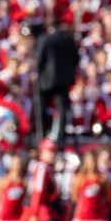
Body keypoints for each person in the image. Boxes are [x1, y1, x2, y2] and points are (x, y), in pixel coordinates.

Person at [35, 13, 79, 144]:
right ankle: (61, 136)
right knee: (62, 107)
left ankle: (43, 134)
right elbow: (75, 58)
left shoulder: (44, 39)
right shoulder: (67, 38)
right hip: (63, 79)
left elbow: (39, 60)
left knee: (42, 106)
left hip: (46, 80)